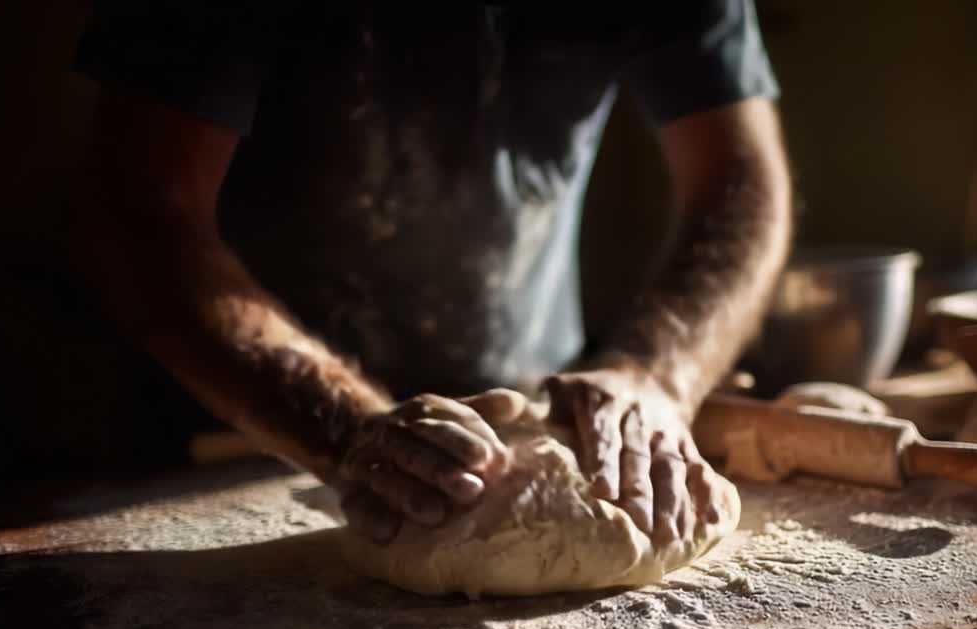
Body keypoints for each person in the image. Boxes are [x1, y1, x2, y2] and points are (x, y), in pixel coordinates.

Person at [63, 1, 792, 544]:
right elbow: (140, 206)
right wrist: (345, 430)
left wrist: (658, 377)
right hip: (227, 433)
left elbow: (741, 182)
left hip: (531, 433)